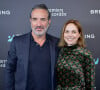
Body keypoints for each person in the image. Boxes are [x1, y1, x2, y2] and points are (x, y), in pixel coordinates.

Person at [6, 4, 59, 90]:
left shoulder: (57, 43)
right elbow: (9, 70)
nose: (39, 24)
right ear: (30, 20)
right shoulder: (17, 42)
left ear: (49, 21)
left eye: (43, 19)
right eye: (35, 19)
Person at [56, 19, 95, 90]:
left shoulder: (85, 54)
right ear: (63, 34)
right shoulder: (60, 51)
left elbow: (90, 84)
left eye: (73, 32)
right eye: (67, 31)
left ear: (79, 34)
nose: (69, 35)